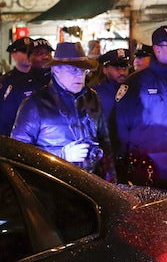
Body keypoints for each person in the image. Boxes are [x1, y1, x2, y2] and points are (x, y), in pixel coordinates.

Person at [112, 25, 167, 190]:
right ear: (157, 49)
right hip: (146, 182)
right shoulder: (135, 85)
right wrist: (123, 179)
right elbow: (118, 135)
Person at [11, 42, 116, 182]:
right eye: (73, 70)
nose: (79, 75)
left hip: (90, 186)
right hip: (52, 188)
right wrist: (62, 155)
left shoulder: (92, 98)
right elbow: (18, 151)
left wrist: (111, 181)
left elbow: (104, 141)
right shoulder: (35, 104)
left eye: (83, 71)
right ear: (56, 70)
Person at [0, 37, 50, 136]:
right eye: (24, 51)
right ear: (14, 55)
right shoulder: (5, 80)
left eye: (31, 51)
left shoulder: (43, 78)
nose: (28, 54)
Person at [95, 48, 131, 125]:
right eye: (117, 68)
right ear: (105, 70)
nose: (122, 72)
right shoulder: (95, 93)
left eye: (124, 67)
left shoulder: (134, 89)